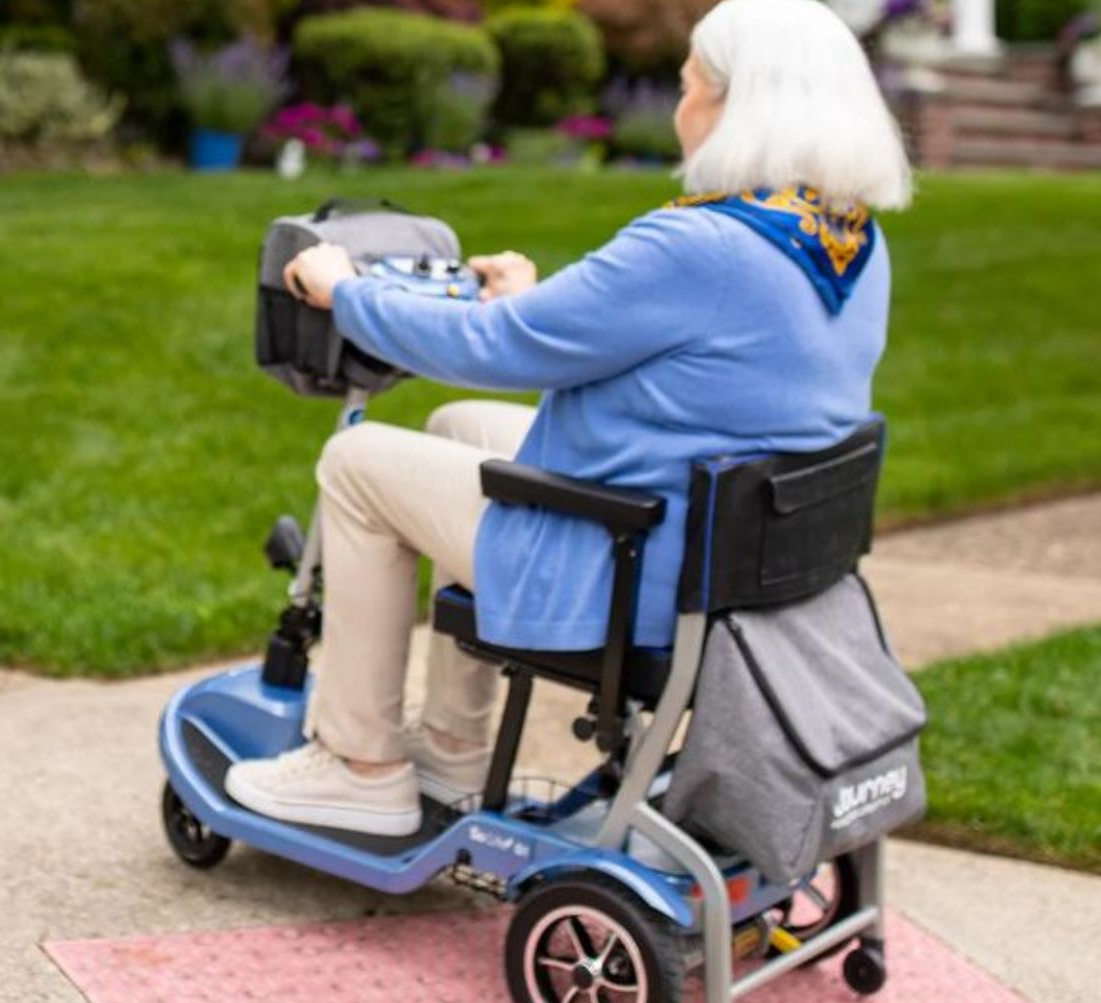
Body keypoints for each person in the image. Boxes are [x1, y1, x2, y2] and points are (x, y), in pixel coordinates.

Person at [225, 0, 913, 836]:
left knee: (358, 464)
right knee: (461, 426)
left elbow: (493, 345)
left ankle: (356, 765)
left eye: (689, 88)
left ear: (738, 106)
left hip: (636, 569)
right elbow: (671, 353)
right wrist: (536, 301)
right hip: (723, 547)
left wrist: (346, 292)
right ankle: (451, 747)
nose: (676, 108)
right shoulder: (846, 240)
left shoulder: (697, 246)